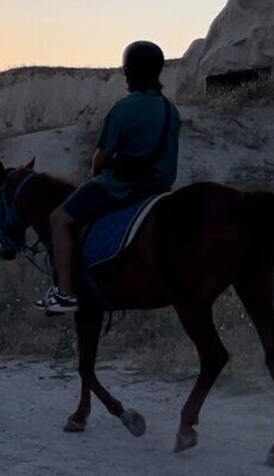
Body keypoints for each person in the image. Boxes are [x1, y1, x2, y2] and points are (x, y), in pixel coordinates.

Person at [42, 41, 181, 313]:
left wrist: (95, 173)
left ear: (129, 72)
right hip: (160, 189)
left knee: (59, 219)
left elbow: (100, 159)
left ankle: (65, 293)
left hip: (121, 187)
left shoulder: (123, 109)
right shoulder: (170, 110)